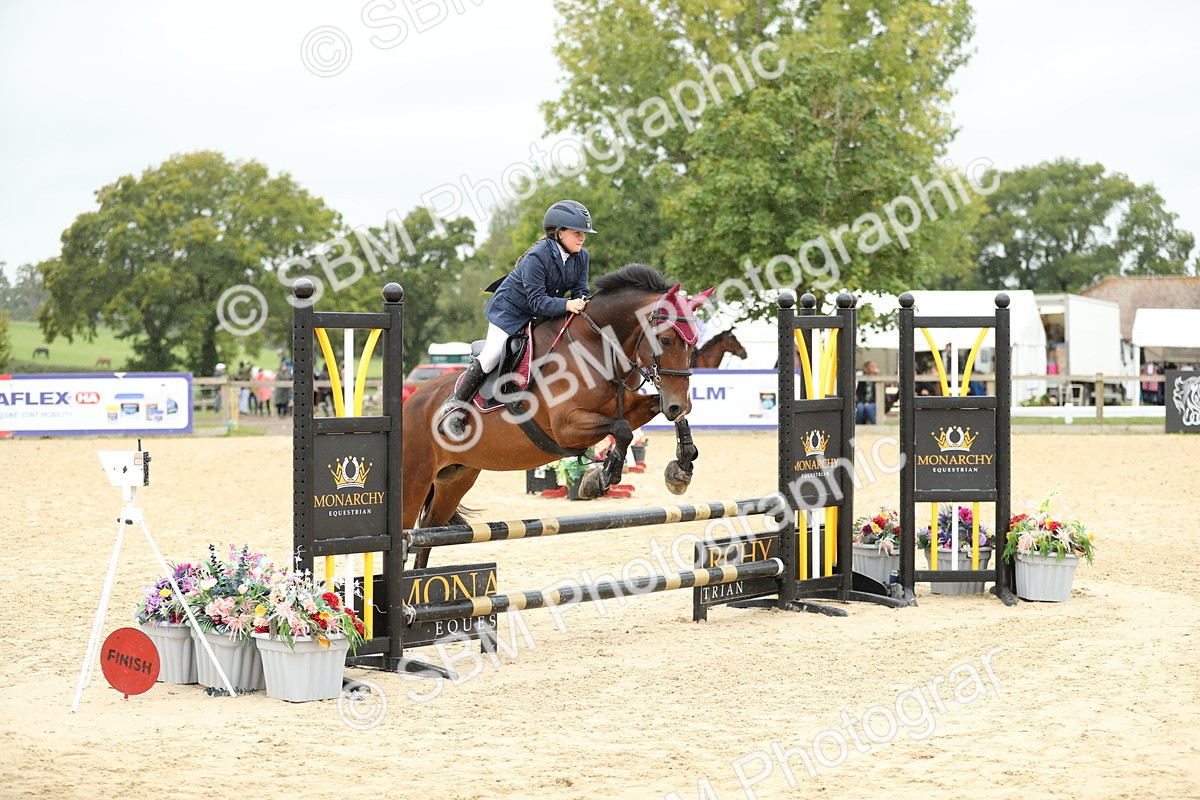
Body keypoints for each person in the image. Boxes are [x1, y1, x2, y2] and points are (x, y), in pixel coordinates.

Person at [440, 200, 596, 438]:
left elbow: (580, 290)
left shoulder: (581, 256)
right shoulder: (537, 257)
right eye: (577, 233)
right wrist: (567, 304)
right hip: (510, 311)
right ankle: (455, 407)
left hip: (543, 311)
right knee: (492, 354)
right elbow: (537, 301)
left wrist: (584, 302)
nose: (582, 238)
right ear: (558, 232)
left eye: (583, 233)